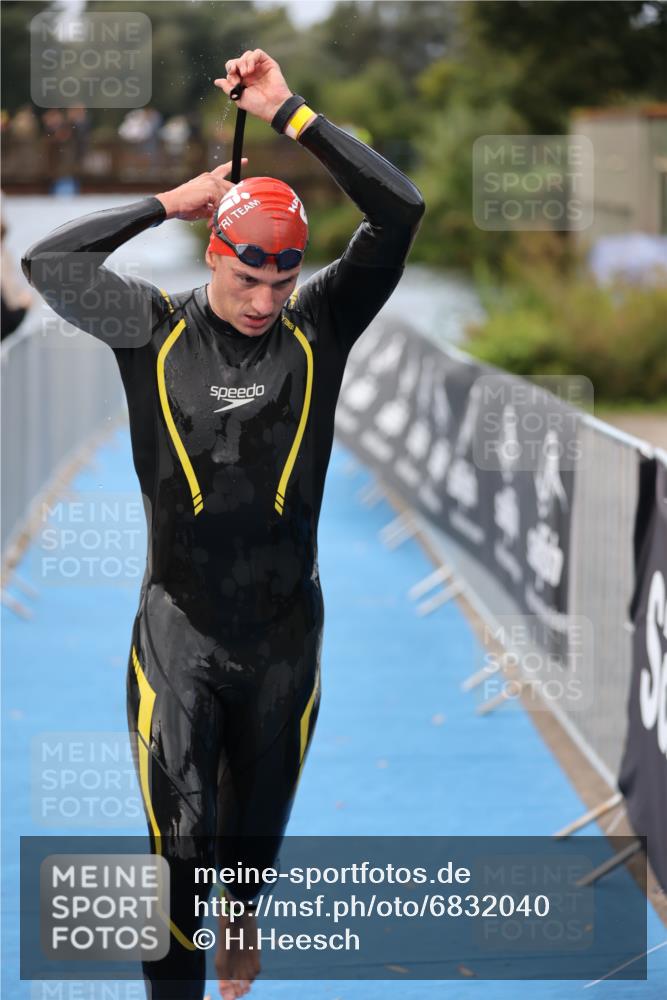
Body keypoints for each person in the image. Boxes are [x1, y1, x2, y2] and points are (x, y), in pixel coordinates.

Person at [22, 49, 424, 1000]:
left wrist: (289, 113)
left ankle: (244, 908)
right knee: (179, 869)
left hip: (287, 641)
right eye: (251, 278)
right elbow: (48, 262)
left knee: (242, 862)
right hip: (179, 635)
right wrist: (175, 197)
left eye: (286, 280)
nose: (267, 299)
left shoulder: (321, 326)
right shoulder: (149, 328)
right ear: (216, 255)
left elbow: (398, 213)